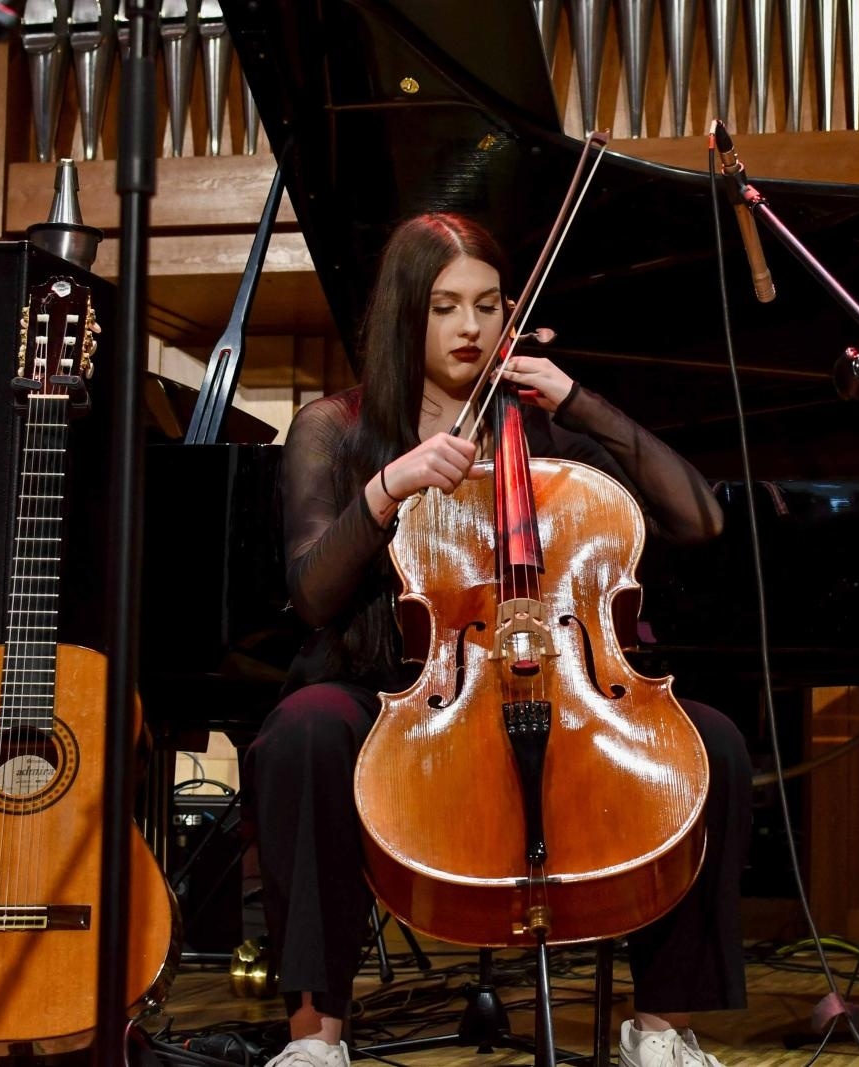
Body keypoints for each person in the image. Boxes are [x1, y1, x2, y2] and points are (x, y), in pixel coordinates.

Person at [242, 212, 750, 1067]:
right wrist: (388, 487)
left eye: (486, 304)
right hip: (391, 685)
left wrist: (578, 398)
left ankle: (661, 1029)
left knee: (716, 743)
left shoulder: (543, 431)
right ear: (407, 314)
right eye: (445, 306)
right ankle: (315, 1034)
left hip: (551, 679)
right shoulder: (335, 427)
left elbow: (699, 517)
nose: (470, 327)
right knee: (302, 732)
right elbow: (310, 592)